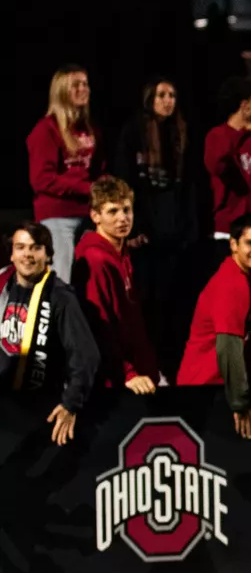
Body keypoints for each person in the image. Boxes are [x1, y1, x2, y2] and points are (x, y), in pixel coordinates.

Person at [114, 76, 199, 375]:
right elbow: (125, 179)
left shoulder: (181, 133)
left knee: (172, 304)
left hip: (173, 233)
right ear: (149, 99)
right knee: (145, 303)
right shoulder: (134, 132)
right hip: (144, 236)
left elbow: (189, 185)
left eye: (172, 95)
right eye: (161, 94)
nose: (167, 100)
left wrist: (189, 230)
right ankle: (144, 367)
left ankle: (168, 366)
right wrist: (133, 230)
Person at [177, 213, 251, 438]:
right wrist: (240, 402)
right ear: (233, 245)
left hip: (230, 385)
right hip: (204, 389)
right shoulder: (231, 284)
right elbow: (229, 348)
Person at [0, 222, 99, 445]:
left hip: (38, 412)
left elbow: (85, 355)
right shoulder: (1, 285)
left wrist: (70, 404)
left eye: (35, 248)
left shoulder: (61, 297)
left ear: (48, 255)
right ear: (12, 255)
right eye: (20, 247)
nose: (27, 255)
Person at [72, 177, 158, 393]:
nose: (122, 218)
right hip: (113, 382)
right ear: (95, 216)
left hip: (134, 373)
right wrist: (126, 372)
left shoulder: (121, 254)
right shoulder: (95, 259)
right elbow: (98, 324)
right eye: (112, 212)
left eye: (127, 210)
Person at [26, 64, 104, 282]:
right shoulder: (46, 130)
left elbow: (98, 170)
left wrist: (105, 186)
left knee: (89, 277)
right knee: (62, 279)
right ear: (61, 91)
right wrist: (88, 188)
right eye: (75, 85)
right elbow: (42, 180)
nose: (83, 89)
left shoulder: (90, 129)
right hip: (58, 216)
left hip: (88, 213)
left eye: (85, 84)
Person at [204, 77, 251, 264]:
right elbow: (219, 164)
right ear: (244, 105)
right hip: (230, 233)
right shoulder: (218, 135)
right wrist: (246, 129)